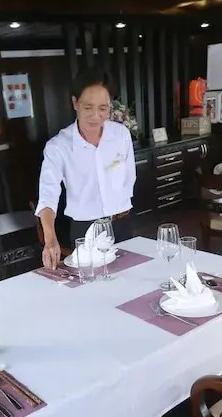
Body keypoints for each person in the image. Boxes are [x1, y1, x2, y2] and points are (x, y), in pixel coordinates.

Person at [35, 68, 136, 270]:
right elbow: (48, 194)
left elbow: (129, 178)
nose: (96, 116)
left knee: (130, 280)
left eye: (103, 108)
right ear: (75, 103)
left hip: (122, 224)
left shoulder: (121, 135)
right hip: (86, 230)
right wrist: (50, 239)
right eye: (88, 107)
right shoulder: (59, 146)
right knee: (92, 284)